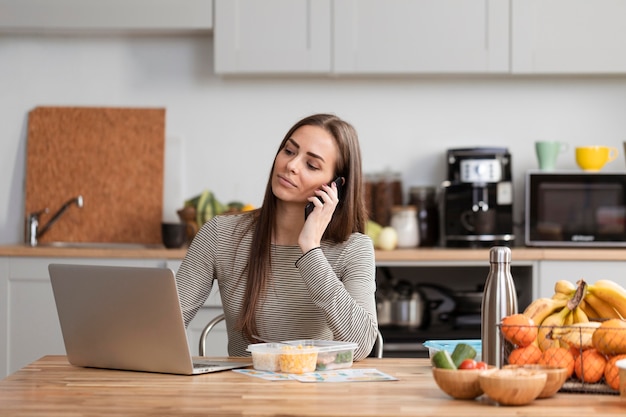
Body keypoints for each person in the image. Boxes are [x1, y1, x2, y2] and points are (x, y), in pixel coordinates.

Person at [175, 113, 378, 360]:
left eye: (311, 165)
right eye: (289, 151)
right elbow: (166, 324)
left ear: (335, 185)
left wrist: (311, 249)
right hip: (242, 393)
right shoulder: (220, 234)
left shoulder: (354, 248)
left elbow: (362, 345)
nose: (291, 165)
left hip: (320, 393)